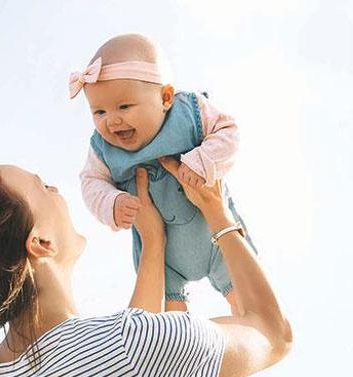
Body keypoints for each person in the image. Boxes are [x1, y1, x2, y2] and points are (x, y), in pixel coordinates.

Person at [0, 158, 292, 377]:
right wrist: (217, 212)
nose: (56, 190)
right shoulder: (136, 346)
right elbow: (274, 334)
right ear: (40, 242)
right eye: (43, 187)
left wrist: (153, 244)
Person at [74, 34, 255, 312]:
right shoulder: (102, 150)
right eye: (99, 112)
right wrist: (112, 202)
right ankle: (178, 326)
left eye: (124, 106)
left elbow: (228, 132)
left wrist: (203, 160)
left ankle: (249, 321)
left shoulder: (190, 113)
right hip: (163, 257)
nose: (112, 120)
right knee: (168, 324)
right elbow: (91, 182)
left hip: (217, 236)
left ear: (166, 98)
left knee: (248, 303)